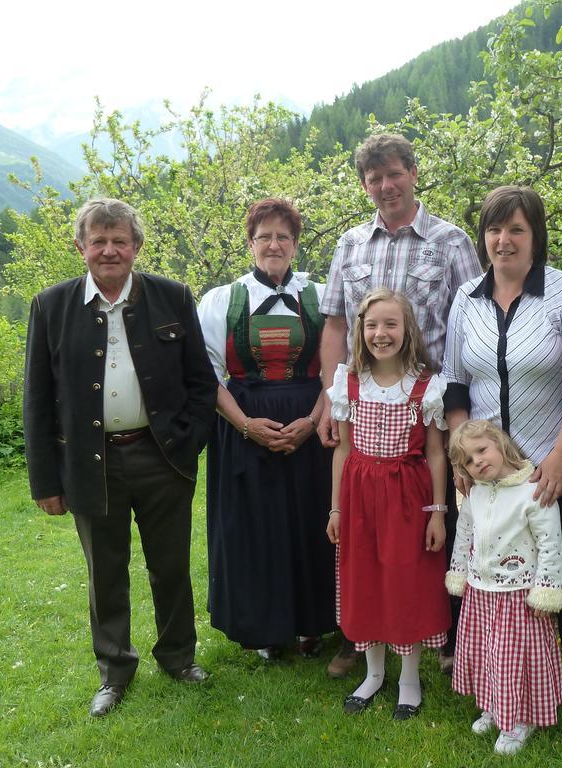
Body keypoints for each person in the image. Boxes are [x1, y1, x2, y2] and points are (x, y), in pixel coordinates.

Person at [23, 198, 217, 717]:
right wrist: (46, 481)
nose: (109, 250)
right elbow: (37, 401)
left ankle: (178, 658)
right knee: (104, 573)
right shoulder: (51, 305)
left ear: (137, 246)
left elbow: (202, 382)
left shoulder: (172, 297)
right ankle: (114, 672)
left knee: (170, 566)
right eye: (98, 240)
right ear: (80, 246)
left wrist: (189, 440)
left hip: (163, 459)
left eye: (119, 240)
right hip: (89, 463)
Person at [442, 185, 562, 724]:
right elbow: (454, 383)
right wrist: (461, 462)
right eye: (495, 229)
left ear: (536, 235)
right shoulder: (466, 298)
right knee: (490, 585)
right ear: (483, 237)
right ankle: (500, 688)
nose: (504, 240)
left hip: (547, 467)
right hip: (486, 477)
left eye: (516, 229)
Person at [318, 132, 480, 677]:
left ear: (413, 172)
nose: (386, 186)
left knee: (432, 524)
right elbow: (337, 323)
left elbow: (472, 321)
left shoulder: (450, 242)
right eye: (374, 178)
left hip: (430, 402)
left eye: (394, 174)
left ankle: (444, 632)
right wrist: (328, 396)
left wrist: (463, 414)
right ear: (365, 185)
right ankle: (365, 634)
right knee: (367, 524)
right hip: (365, 402)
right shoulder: (350, 244)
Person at [196, 198, 335, 660]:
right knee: (256, 527)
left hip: (310, 425)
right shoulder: (221, 300)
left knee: (309, 524)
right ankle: (266, 628)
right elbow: (207, 374)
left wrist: (313, 421)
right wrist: (245, 425)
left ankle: (313, 623)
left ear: (295, 244)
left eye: (283, 236)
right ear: (250, 243)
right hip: (244, 424)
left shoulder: (321, 296)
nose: (273, 244)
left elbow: (341, 368)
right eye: (264, 237)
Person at [324, 289, 451, 720]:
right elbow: (341, 449)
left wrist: (437, 512)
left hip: (407, 496)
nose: (381, 334)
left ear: (407, 329)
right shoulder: (349, 381)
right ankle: (374, 673)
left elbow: (435, 452)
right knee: (367, 579)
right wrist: (335, 509)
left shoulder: (424, 385)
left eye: (391, 324)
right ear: (361, 330)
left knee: (405, 580)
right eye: (372, 325)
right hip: (359, 495)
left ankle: (409, 679)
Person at [446, 420, 562, 756]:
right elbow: (464, 534)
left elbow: (550, 544)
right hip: (480, 591)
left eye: (482, 450)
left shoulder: (532, 490)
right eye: (468, 460)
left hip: (518, 595)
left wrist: (546, 588)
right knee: (488, 654)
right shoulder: (476, 492)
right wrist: (458, 573)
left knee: (514, 658)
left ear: (499, 444)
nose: (478, 462)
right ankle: (494, 706)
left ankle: (519, 719)